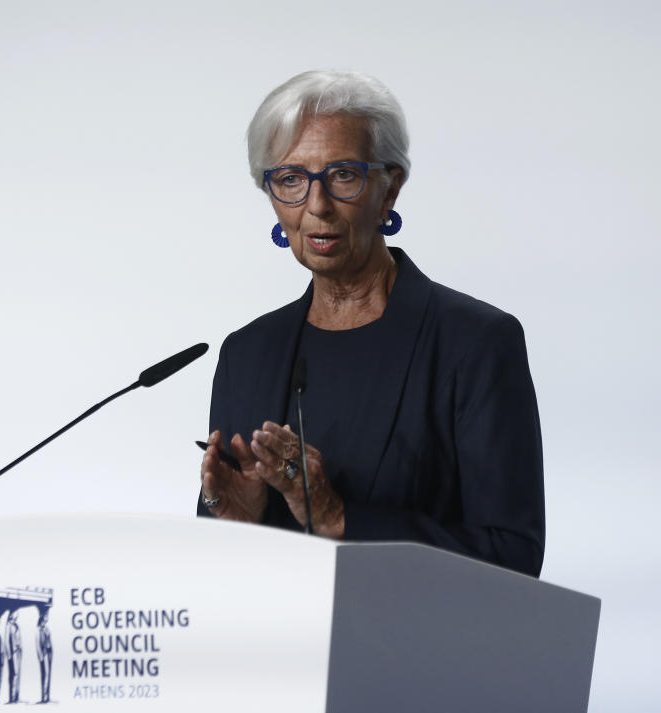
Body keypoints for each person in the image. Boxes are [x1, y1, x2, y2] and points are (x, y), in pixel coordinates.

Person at [197, 70, 545, 577]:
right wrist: (244, 525)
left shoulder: (475, 344)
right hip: (281, 652)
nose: (316, 206)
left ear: (389, 189)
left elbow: (513, 557)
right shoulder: (247, 355)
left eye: (342, 175)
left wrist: (339, 517)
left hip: (418, 650)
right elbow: (215, 576)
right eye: (291, 179)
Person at [5, 610, 22, 703]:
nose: (17, 616)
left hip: (19, 652)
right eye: (16, 614)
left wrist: (21, 647)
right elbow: (6, 642)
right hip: (13, 653)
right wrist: (9, 655)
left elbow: (19, 638)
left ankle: (16, 696)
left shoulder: (17, 625)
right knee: (13, 674)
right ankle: (11, 697)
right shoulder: (8, 626)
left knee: (18, 674)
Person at [36, 611, 52, 704]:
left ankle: (47, 696)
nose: (46, 619)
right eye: (45, 617)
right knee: (44, 675)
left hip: (49, 653)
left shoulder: (47, 629)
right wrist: (40, 656)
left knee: (48, 674)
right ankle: (43, 696)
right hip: (43, 654)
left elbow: (49, 639)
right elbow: (37, 644)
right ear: (42, 619)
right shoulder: (38, 630)